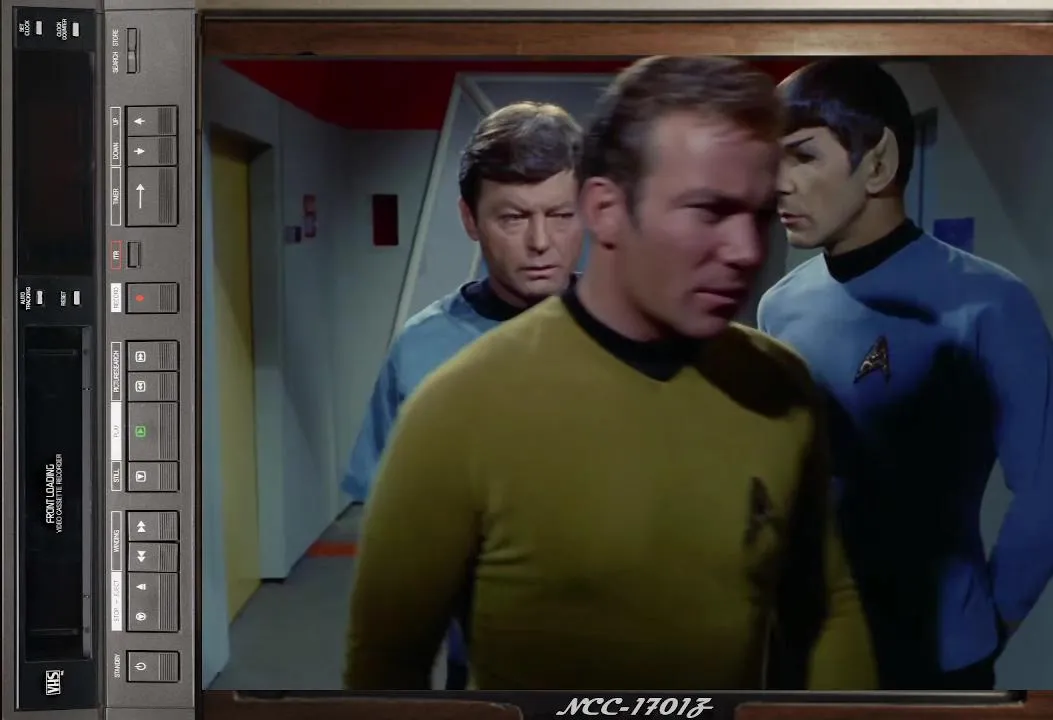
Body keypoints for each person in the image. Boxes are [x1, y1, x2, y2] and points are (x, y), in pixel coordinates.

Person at [344, 55, 878, 692]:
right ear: (606, 208)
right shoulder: (457, 404)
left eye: (758, 214)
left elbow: (826, 606)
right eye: (707, 211)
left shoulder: (781, 384)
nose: (746, 251)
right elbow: (386, 664)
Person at [757, 57, 1053, 691]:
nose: (778, 183)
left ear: (878, 163)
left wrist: (992, 621)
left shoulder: (989, 303)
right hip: (805, 651)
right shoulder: (780, 306)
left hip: (937, 661)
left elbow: (1051, 491)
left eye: (803, 156)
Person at [342, 101, 585, 689]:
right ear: (470, 219)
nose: (541, 242)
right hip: (479, 664)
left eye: (561, 214)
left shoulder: (636, 335)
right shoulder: (422, 348)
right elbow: (390, 532)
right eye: (513, 218)